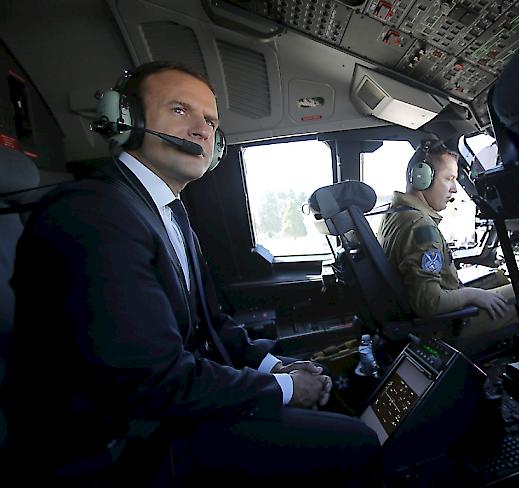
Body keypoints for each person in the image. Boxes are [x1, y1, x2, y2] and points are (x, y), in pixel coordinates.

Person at [4, 61, 379, 485]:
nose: (202, 129)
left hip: (156, 417)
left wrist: (274, 367)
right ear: (126, 121)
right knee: (357, 444)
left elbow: (211, 325)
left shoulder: (166, 211)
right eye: (179, 111)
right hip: (117, 449)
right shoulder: (93, 214)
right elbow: (152, 378)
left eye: (211, 120)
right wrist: (287, 390)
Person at [377, 142, 518, 356]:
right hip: (448, 328)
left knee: (498, 277)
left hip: (425, 321)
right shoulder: (421, 227)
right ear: (422, 178)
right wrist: (472, 295)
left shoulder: (395, 214)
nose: (454, 188)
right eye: (449, 179)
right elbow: (429, 303)